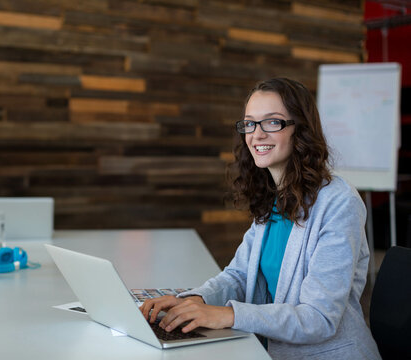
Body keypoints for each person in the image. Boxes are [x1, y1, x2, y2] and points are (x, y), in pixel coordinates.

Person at [140, 78, 381, 360]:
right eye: (250, 123)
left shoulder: (339, 203)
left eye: (272, 122)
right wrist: (195, 300)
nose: (257, 134)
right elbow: (240, 275)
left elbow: (318, 318)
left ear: (300, 130)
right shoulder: (275, 197)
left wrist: (227, 315)